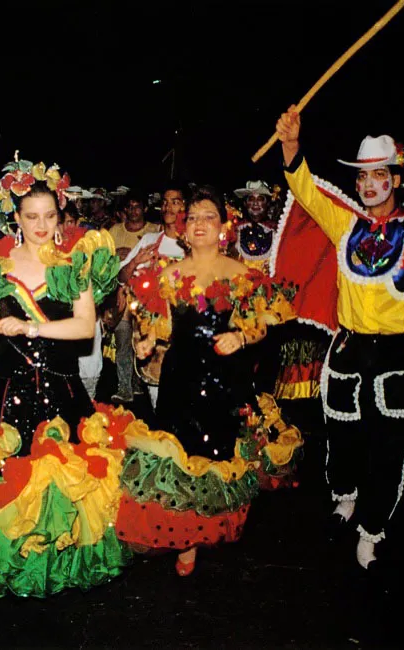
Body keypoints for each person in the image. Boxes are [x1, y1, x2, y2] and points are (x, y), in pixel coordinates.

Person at [273, 106, 404, 569]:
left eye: (379, 174)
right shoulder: (345, 224)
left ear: (396, 179)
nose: (369, 184)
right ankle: (344, 499)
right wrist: (291, 144)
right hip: (347, 347)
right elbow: (305, 190)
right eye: (363, 176)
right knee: (341, 434)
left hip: (397, 353)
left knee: (391, 446)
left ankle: (372, 530)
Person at [0, 155, 132, 597]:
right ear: (16, 217)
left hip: (59, 384)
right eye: (31, 216)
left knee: (58, 478)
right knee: (4, 472)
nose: (41, 224)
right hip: (6, 384)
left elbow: (85, 326)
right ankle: (6, 560)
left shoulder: (76, 260)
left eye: (49, 215)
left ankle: (53, 561)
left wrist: (31, 326)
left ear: (61, 214)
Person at [127, 185, 302, 575]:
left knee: (217, 454)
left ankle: (210, 527)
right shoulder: (168, 275)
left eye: (208, 216)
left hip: (225, 378)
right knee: (181, 453)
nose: (199, 223)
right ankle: (185, 538)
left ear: (223, 227)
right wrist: (147, 341)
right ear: (183, 230)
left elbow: (264, 323)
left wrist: (240, 336)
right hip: (180, 376)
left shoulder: (240, 274)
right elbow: (159, 326)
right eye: (192, 218)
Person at [120, 183, 188, 409]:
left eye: (175, 201)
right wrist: (135, 262)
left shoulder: (194, 244)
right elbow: (122, 276)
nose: (168, 207)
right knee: (158, 402)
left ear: (186, 207)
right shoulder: (149, 241)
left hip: (185, 332)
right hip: (153, 338)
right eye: (165, 202)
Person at [109, 190, 160, 404]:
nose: (133, 211)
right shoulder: (113, 231)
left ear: (145, 209)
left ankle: (139, 383)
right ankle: (124, 388)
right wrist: (115, 257)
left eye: (137, 206)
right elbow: (103, 263)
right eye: (129, 207)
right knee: (123, 341)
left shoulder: (154, 232)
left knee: (143, 341)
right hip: (122, 295)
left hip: (147, 299)